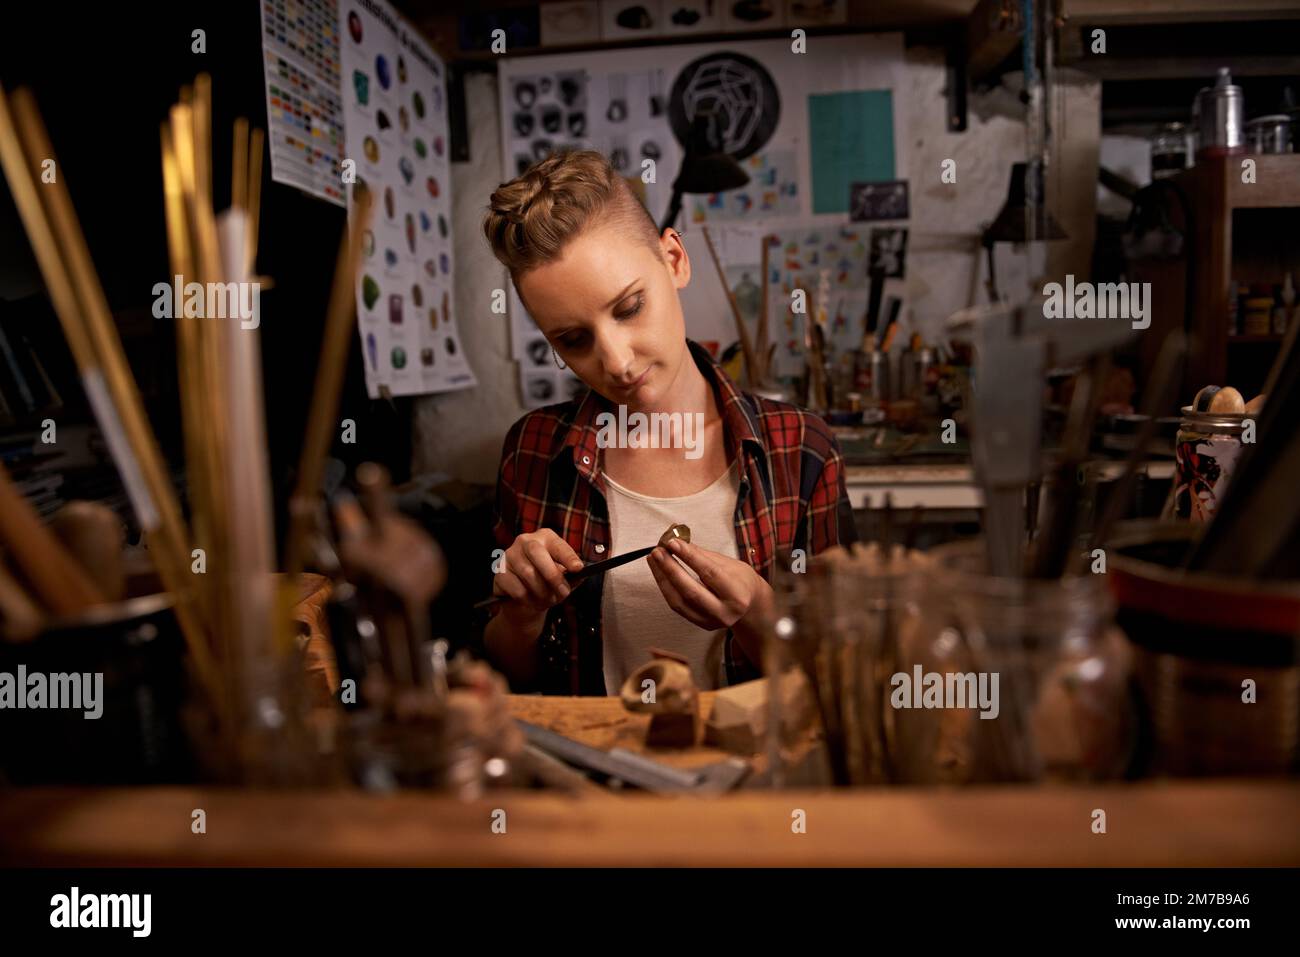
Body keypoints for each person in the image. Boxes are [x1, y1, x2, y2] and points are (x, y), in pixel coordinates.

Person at [480, 149, 856, 695]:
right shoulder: (534, 449)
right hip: (594, 772)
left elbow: (840, 674)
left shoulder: (801, 449)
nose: (616, 362)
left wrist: (756, 610)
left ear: (674, 259)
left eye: (629, 308)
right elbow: (512, 678)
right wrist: (520, 617)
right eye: (573, 340)